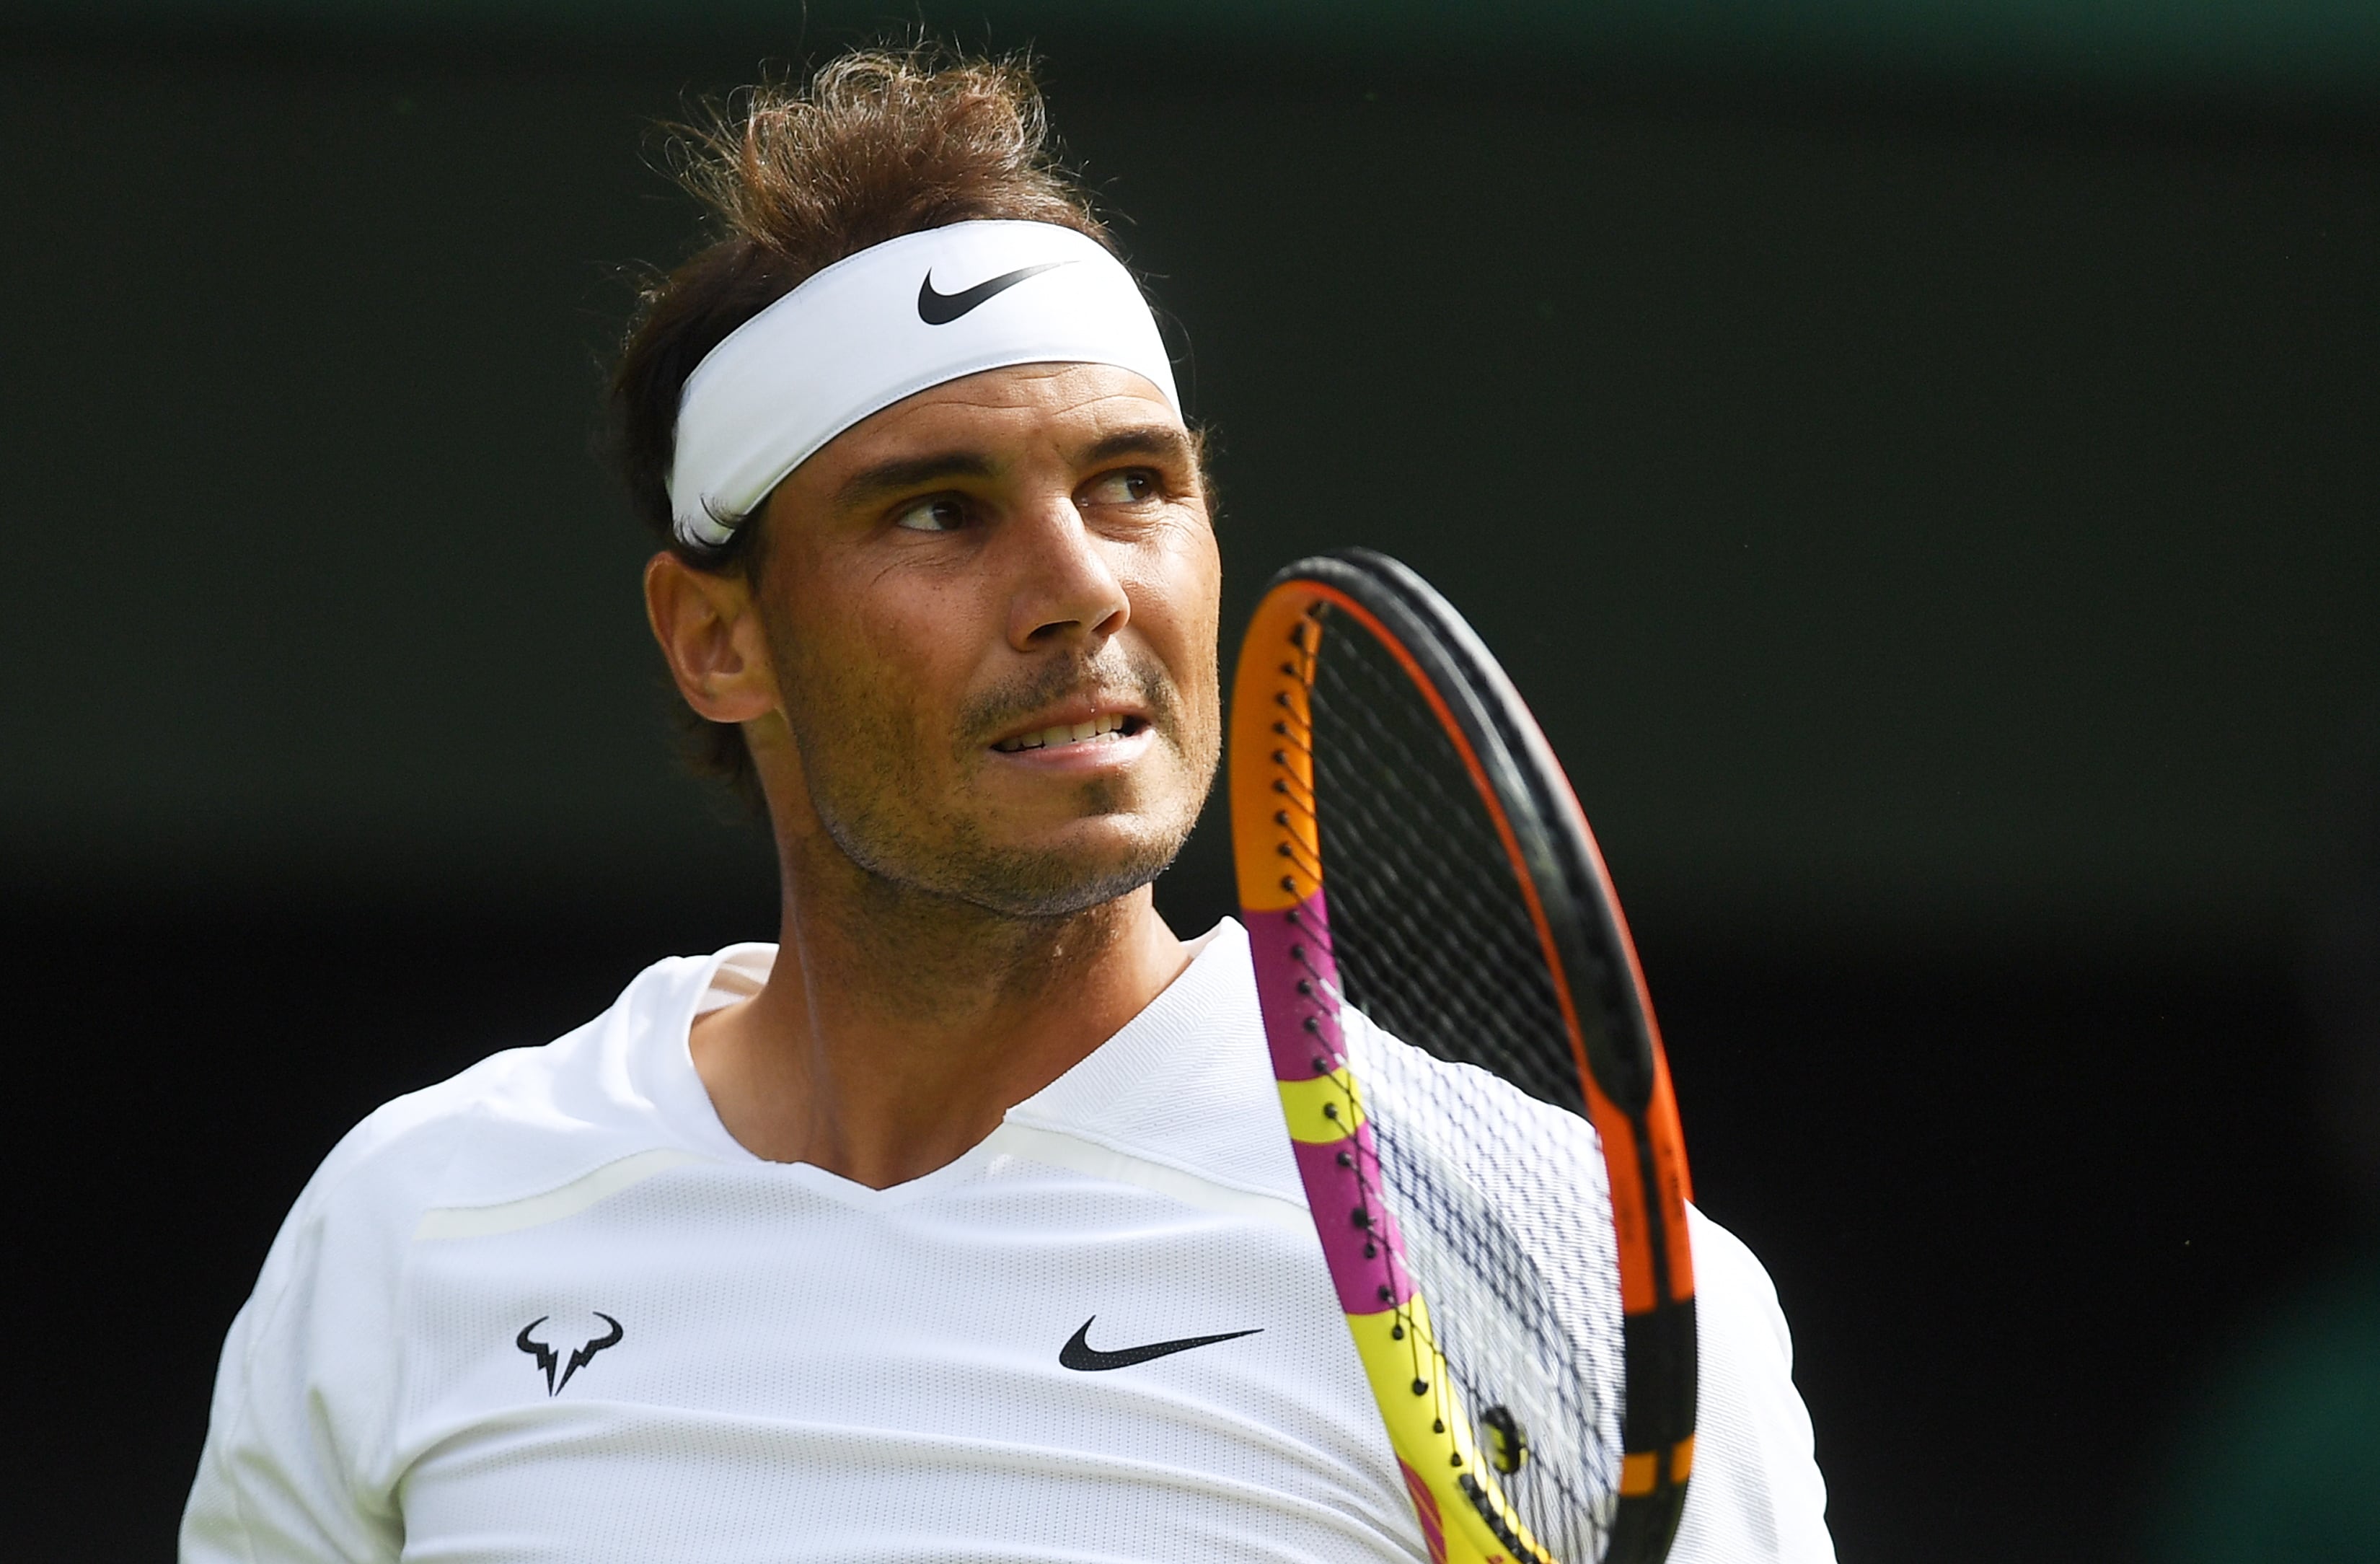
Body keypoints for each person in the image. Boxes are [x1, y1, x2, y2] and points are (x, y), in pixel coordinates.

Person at [182, 47, 1835, 1563]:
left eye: (1134, 484)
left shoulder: (1560, 1275)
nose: (1077, 590)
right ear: (718, 639)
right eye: (937, 512)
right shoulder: (419, 1226)